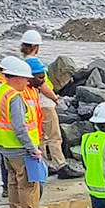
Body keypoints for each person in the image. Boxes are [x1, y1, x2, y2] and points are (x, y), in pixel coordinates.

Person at [0, 57, 49, 208]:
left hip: (5, 148)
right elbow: (20, 127)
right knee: (29, 187)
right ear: (17, 78)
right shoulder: (14, 97)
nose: (27, 82)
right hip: (21, 149)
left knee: (13, 185)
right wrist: (32, 149)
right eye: (25, 79)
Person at [17, 32, 66, 178]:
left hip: (33, 104)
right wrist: (55, 98)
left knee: (41, 136)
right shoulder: (35, 63)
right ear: (35, 47)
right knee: (54, 135)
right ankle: (61, 164)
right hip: (44, 102)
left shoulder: (22, 63)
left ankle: (43, 164)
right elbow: (43, 85)